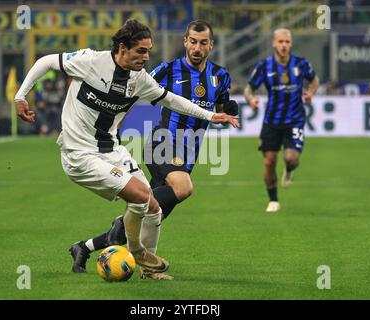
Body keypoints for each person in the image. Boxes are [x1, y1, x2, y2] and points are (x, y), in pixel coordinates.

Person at [14, 20, 238, 277]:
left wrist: (211, 116)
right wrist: (21, 96)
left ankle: (143, 268)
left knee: (153, 206)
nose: (146, 57)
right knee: (143, 195)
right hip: (80, 154)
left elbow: (172, 99)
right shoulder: (91, 61)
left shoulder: (140, 79)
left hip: (111, 150)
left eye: (149, 51)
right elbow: (46, 62)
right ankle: (137, 251)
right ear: (123, 47)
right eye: (141, 51)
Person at [243, 28, 319, 213]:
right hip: (272, 121)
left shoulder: (301, 64)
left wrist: (310, 92)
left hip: (294, 120)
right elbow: (248, 89)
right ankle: (273, 200)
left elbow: (314, 80)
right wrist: (250, 100)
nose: (284, 45)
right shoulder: (264, 66)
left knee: (291, 158)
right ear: (273, 43)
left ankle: (290, 169)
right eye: (280, 41)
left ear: (291, 43)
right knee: (269, 162)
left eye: (287, 42)